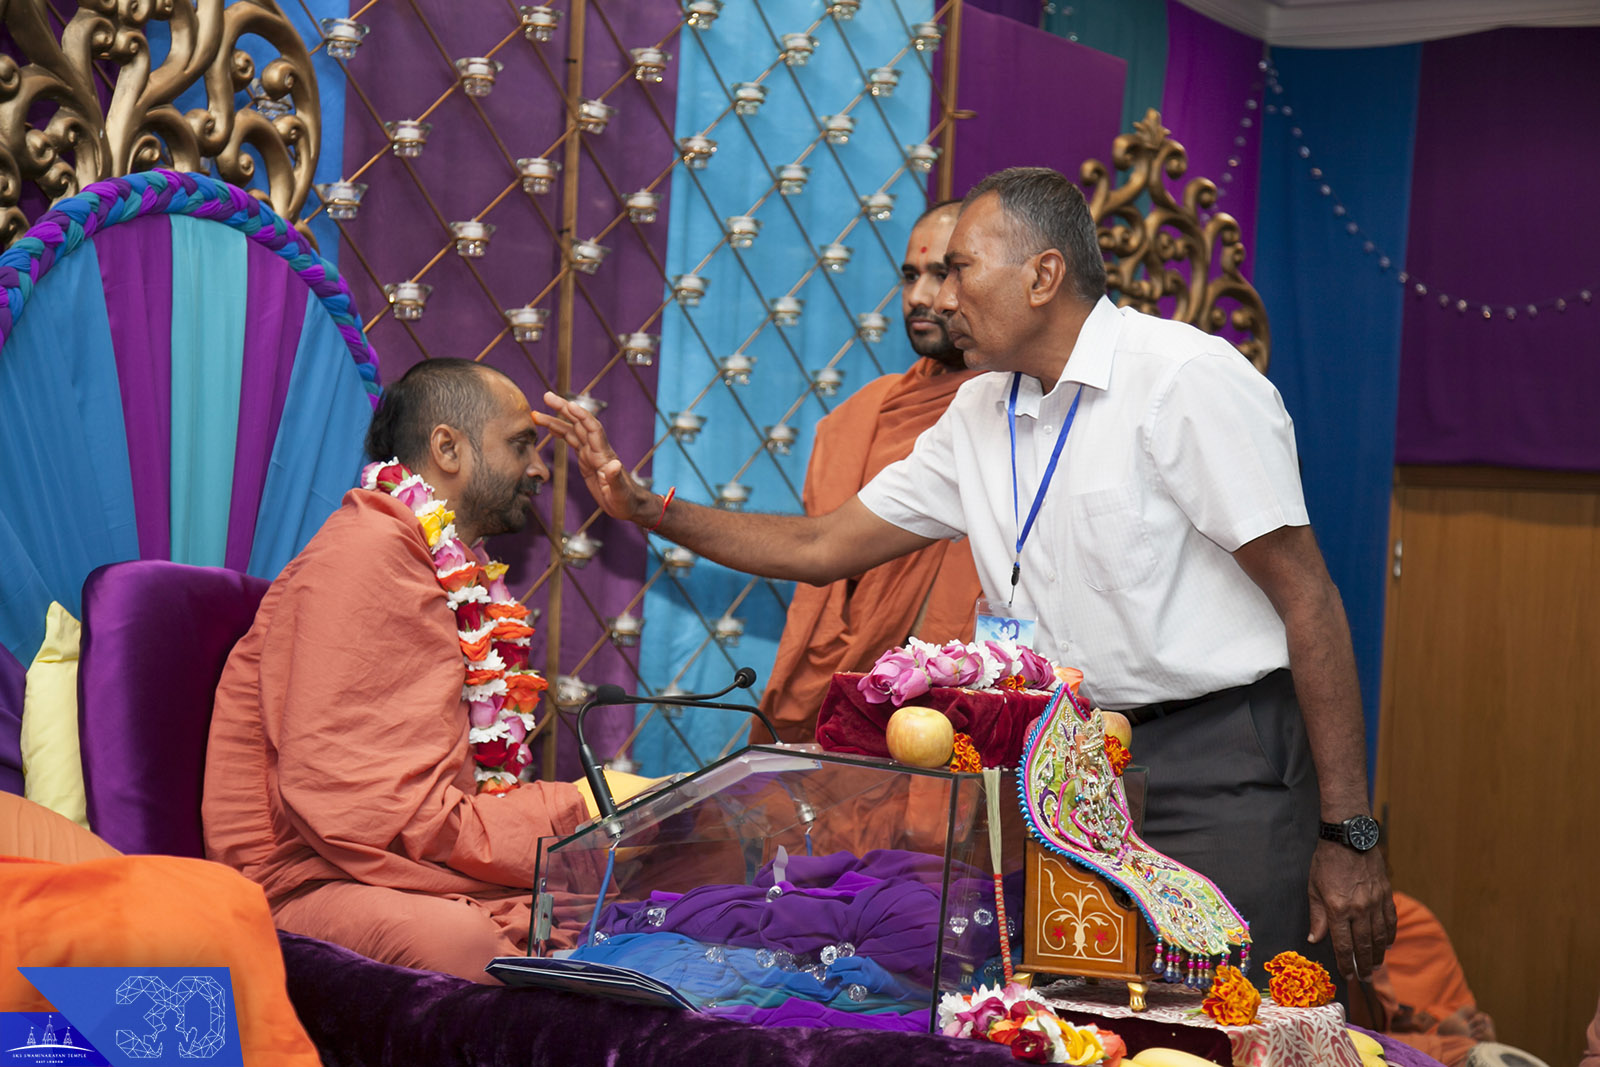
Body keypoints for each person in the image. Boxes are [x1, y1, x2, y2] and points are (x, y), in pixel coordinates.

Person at [541, 166, 1394, 988]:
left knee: (1231, 1022)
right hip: (1069, 775)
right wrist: (651, 508)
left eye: (959, 269)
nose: (940, 298)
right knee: (1090, 1027)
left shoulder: (1184, 380)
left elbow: (1307, 597)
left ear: (1042, 275)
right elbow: (823, 544)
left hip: (1221, 765)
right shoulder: (980, 409)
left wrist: (1349, 832)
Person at [203, 359, 647, 983]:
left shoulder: (440, 565)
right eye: (522, 444)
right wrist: (576, 808)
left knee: (629, 904)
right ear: (448, 447)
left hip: (402, 861)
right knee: (463, 939)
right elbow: (364, 812)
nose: (541, 468)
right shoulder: (363, 557)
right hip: (312, 878)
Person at [758, 200, 981, 742]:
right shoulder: (861, 415)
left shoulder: (1017, 413)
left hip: (963, 704)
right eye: (911, 275)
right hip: (848, 688)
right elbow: (827, 564)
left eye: (944, 274)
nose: (920, 298)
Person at [1368, 891, 1493, 1064]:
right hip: (1351, 1042)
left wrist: (1436, 1027)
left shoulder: (1406, 917)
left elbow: (1451, 1013)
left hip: (1420, 1045)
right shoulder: (1325, 925)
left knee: (1475, 1053)